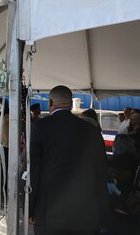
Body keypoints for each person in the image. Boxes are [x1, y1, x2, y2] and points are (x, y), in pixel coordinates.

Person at [29, 85, 109, 235]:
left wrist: (30, 209)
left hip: (50, 213)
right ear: (71, 103)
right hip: (86, 213)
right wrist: (102, 213)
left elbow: (33, 172)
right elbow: (101, 171)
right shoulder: (91, 130)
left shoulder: (39, 128)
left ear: (50, 103)